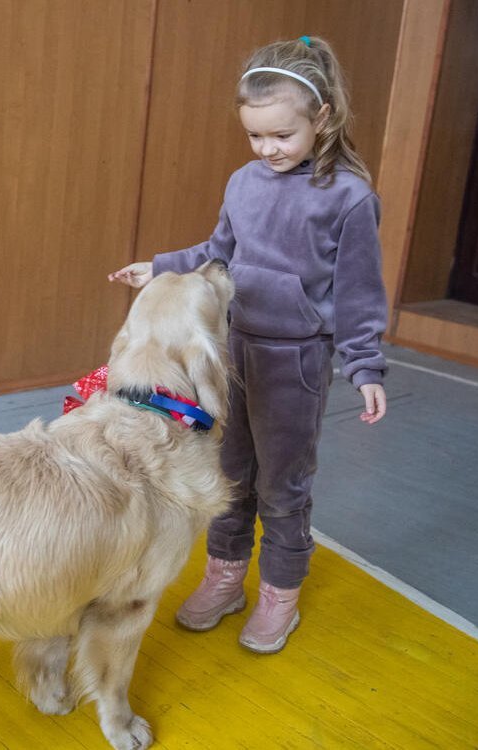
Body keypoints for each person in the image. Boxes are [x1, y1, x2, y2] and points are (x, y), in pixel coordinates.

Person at [108, 36, 388, 654]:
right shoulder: (244, 182)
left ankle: (279, 597)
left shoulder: (350, 199)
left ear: (322, 118)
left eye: (282, 136)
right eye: (256, 137)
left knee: (283, 486)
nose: (268, 150)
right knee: (229, 475)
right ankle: (225, 577)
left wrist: (365, 365)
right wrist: (157, 267)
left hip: (297, 363)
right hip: (231, 355)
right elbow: (217, 255)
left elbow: (359, 293)